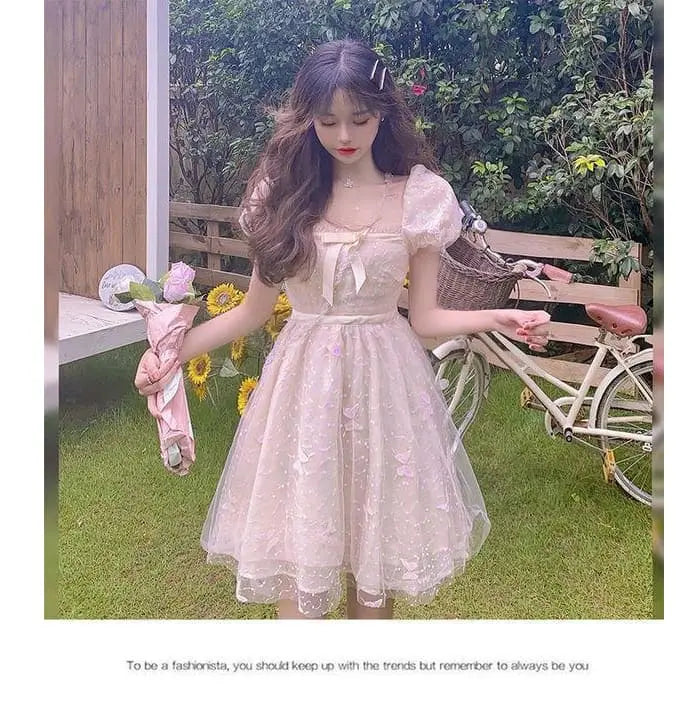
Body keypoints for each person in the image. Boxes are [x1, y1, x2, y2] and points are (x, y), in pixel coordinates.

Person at [135, 39, 550, 620]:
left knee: (373, 563)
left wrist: (498, 317)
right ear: (307, 120)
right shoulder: (283, 197)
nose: (344, 134)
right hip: (302, 390)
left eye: (360, 118)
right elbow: (252, 311)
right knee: (300, 566)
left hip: (385, 389)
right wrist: (172, 354)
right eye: (327, 121)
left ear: (384, 113)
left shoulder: (419, 198)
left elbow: (426, 320)